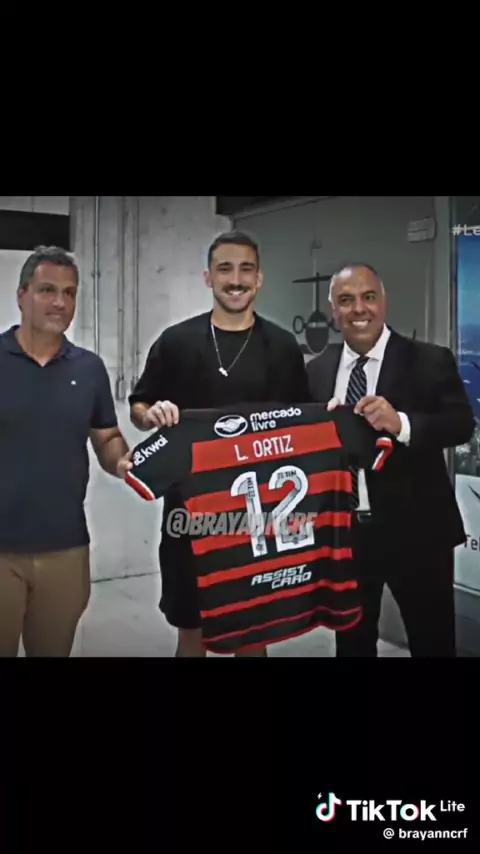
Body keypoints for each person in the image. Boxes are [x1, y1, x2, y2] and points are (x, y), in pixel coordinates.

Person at [129, 230, 310, 657]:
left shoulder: (283, 347)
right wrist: (150, 415)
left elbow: (302, 424)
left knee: (253, 635)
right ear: (208, 277)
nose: (236, 279)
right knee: (191, 631)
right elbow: (139, 405)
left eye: (246, 269)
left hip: (260, 518)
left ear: (259, 279)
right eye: (225, 269)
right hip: (190, 516)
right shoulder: (175, 341)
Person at [307, 262, 474, 657]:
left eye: (368, 297)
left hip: (418, 533)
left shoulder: (429, 360)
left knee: (433, 642)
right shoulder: (317, 370)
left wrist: (401, 424)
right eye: (346, 300)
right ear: (333, 310)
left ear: (384, 301)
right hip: (347, 535)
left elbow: (460, 425)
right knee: (352, 644)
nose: (358, 309)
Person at [0, 246, 132, 657]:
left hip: (66, 549)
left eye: (69, 293)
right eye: (47, 290)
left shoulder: (88, 369)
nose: (60, 302)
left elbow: (107, 437)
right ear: (21, 295)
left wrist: (123, 461)